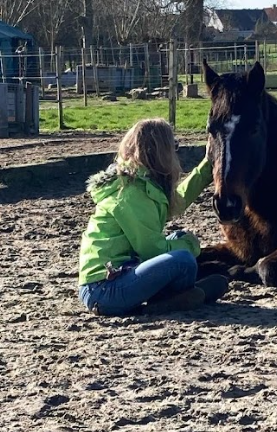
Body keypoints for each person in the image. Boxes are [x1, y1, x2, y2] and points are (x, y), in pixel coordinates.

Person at [78, 118, 228, 316]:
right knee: (183, 258)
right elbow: (152, 250)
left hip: (117, 276)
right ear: (161, 151)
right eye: (173, 147)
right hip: (106, 289)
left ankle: (182, 295)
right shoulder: (130, 195)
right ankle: (172, 299)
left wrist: (206, 168)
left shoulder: (138, 183)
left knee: (178, 240)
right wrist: (192, 247)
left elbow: (175, 203)